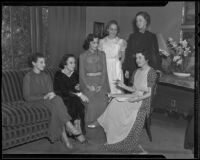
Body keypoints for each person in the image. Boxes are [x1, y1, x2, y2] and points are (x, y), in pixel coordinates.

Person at [88, 50, 157, 153]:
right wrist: (123, 85)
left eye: (140, 58)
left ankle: (103, 124)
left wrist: (137, 99)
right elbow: (134, 89)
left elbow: (149, 93)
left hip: (143, 101)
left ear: (146, 59)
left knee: (117, 103)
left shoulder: (151, 72)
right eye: (136, 58)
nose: (137, 60)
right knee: (115, 100)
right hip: (134, 96)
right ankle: (111, 132)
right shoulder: (136, 71)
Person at [23, 53, 87, 150]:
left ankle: (66, 134)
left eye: (44, 62)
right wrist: (44, 97)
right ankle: (68, 128)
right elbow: (27, 97)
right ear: (33, 63)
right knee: (57, 103)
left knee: (57, 100)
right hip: (34, 102)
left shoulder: (46, 76)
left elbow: (51, 91)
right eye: (41, 62)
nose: (44, 64)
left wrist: (51, 94)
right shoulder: (28, 77)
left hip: (48, 100)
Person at [53, 54, 89, 135]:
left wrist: (79, 87)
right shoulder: (58, 75)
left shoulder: (75, 74)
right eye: (71, 63)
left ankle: (78, 129)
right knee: (74, 101)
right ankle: (76, 129)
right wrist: (79, 94)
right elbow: (64, 91)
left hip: (73, 97)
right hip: (62, 98)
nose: (74, 65)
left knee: (76, 101)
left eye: (74, 63)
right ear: (65, 64)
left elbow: (79, 86)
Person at [79, 34, 110, 126]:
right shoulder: (82, 56)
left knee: (103, 104)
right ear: (89, 43)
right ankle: (91, 133)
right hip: (88, 84)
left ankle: (102, 130)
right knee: (91, 105)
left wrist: (100, 85)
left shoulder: (102, 54)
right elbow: (81, 74)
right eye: (93, 43)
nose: (96, 45)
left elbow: (104, 71)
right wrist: (88, 86)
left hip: (101, 83)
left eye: (97, 43)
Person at [123, 11, 162, 84]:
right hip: (133, 68)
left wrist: (157, 68)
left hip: (147, 69)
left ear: (146, 21)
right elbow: (128, 53)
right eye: (137, 21)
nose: (138, 23)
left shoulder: (152, 36)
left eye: (140, 20)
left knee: (144, 91)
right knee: (133, 91)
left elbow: (155, 54)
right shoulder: (132, 36)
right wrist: (127, 69)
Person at [98, 20, 127, 94]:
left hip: (116, 66)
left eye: (115, 29)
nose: (113, 31)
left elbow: (123, 57)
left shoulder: (121, 42)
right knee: (107, 87)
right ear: (107, 29)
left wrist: (119, 65)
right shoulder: (102, 41)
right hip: (105, 66)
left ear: (117, 31)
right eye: (111, 29)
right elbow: (99, 57)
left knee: (117, 88)